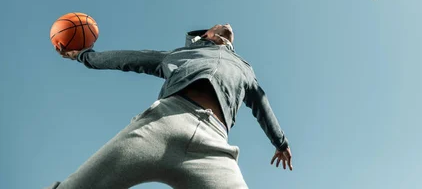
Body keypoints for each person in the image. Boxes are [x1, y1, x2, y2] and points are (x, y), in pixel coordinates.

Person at [47, 23, 292, 189]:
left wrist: (280, 143)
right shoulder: (178, 55)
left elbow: (261, 103)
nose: (227, 25)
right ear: (206, 35)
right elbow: (129, 58)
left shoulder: (245, 68)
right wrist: (84, 56)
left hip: (213, 143)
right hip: (161, 124)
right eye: (219, 26)